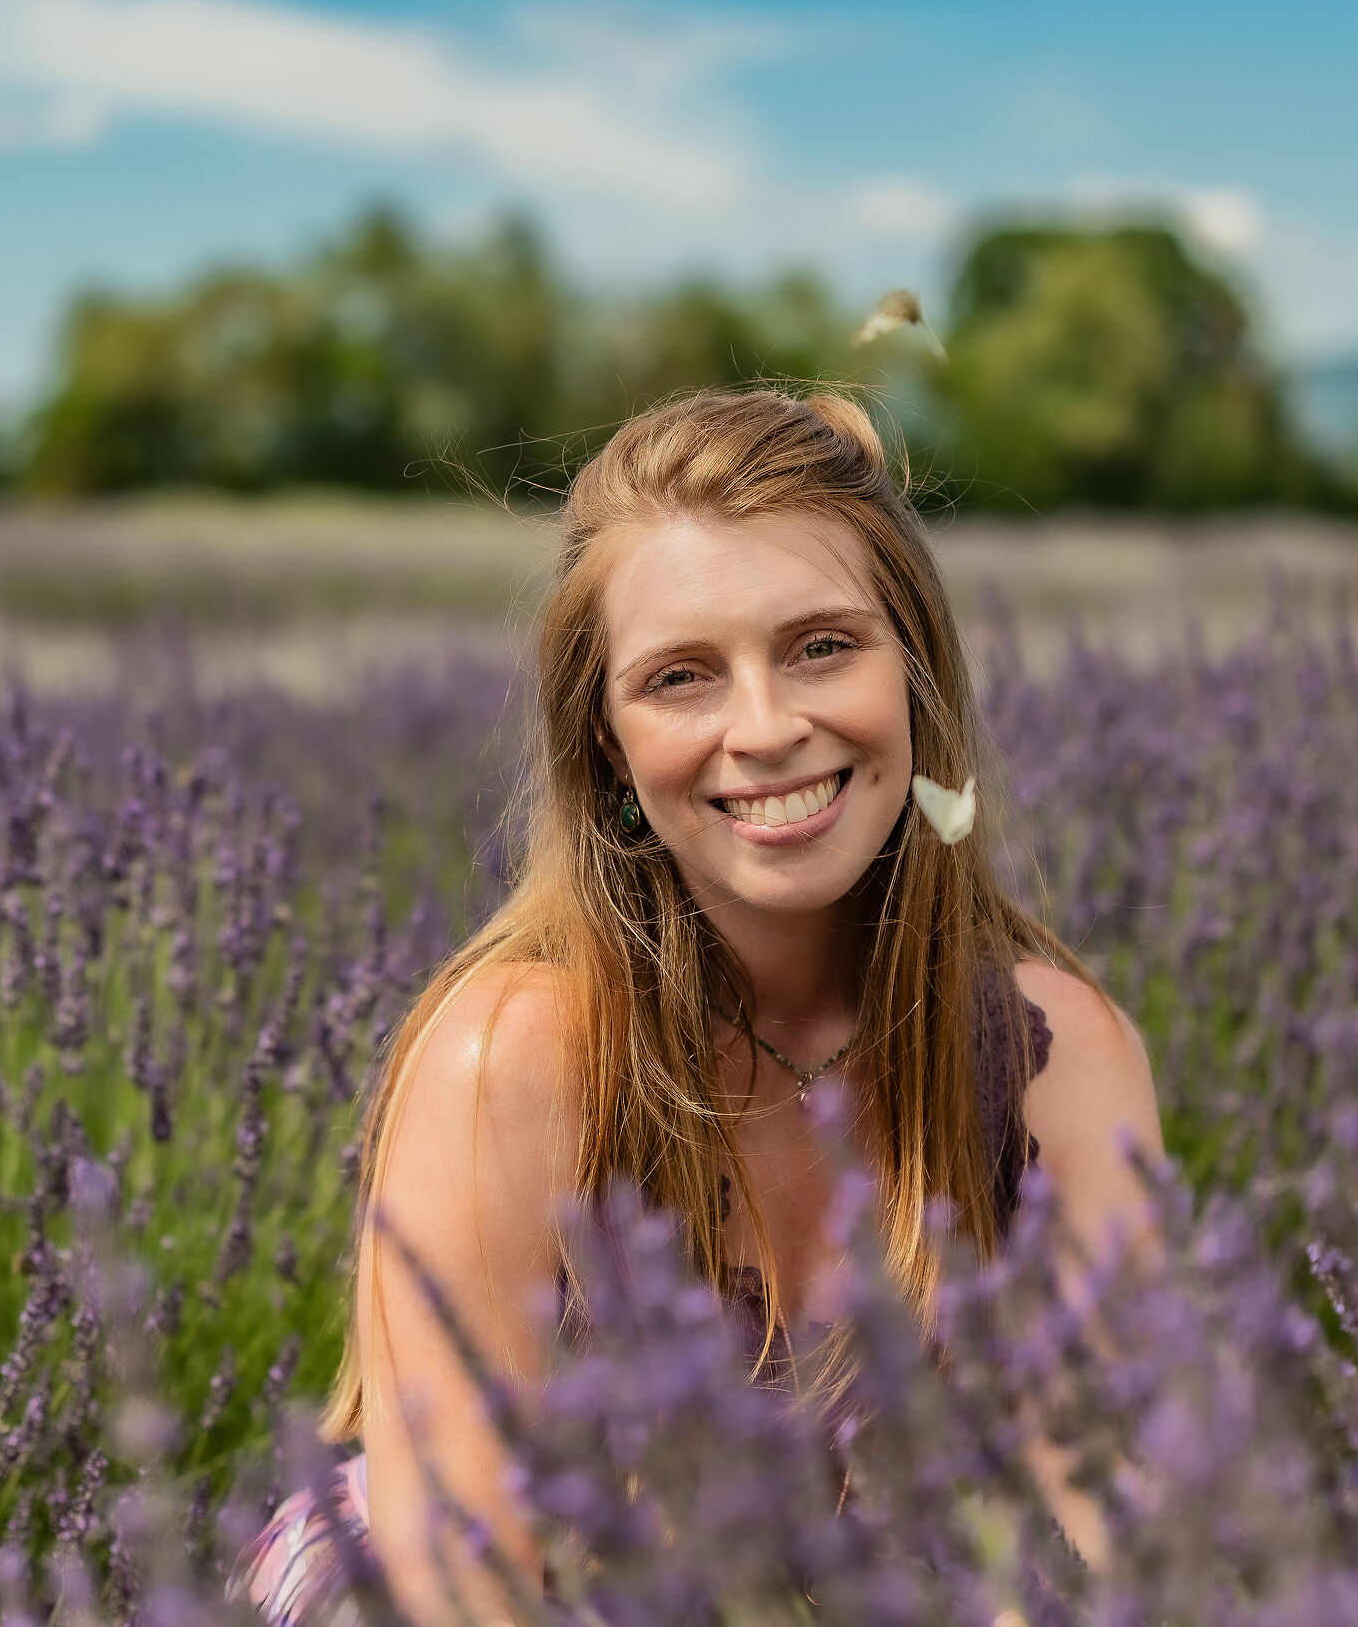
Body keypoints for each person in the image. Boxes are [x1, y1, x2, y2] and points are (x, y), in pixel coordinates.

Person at [238, 387, 1165, 1626]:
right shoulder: (512, 1062)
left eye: (823, 646)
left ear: (920, 675)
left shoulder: (1054, 1057)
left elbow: (1120, 1544)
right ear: (609, 749)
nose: (768, 727)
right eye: (682, 677)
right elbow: (458, 1591)